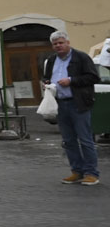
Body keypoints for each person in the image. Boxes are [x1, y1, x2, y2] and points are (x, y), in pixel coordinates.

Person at [42, 30, 100, 185]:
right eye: (55, 44)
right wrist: (46, 83)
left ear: (68, 43)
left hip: (78, 103)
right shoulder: (52, 60)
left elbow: (93, 77)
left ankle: (91, 173)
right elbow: (47, 77)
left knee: (85, 139)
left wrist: (71, 80)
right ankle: (77, 171)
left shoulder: (81, 57)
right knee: (68, 141)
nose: (58, 46)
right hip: (60, 104)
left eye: (61, 42)